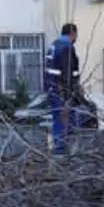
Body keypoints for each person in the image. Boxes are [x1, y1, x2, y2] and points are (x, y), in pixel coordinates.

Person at [44, 23, 82, 155]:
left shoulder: (54, 46)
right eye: (76, 35)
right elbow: (67, 74)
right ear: (73, 33)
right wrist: (69, 95)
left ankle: (60, 146)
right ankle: (62, 150)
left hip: (52, 89)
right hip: (62, 91)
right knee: (65, 119)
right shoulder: (67, 47)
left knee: (58, 119)